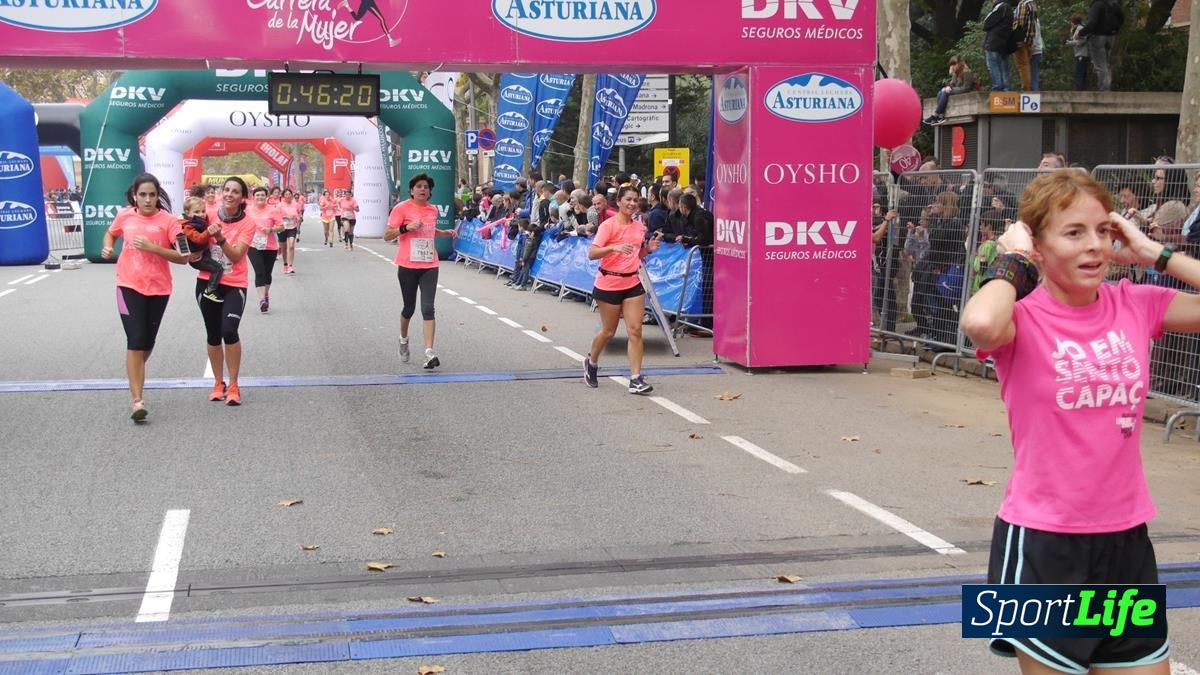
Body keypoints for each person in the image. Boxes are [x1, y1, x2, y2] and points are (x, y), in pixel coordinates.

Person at [962, 169, 1197, 674]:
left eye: (1102, 231)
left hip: (1126, 541)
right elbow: (980, 324)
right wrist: (1012, 260)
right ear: (1037, 247)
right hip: (1043, 548)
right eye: (1073, 233)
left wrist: (1155, 252)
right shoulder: (1020, 317)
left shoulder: (1134, 303)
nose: (1094, 247)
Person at [101, 173, 192, 422]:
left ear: (158, 195)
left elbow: (183, 257)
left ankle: (134, 373)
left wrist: (154, 248)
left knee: (147, 342)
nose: (148, 199)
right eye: (143, 195)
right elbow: (111, 233)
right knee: (136, 338)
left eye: (152, 195)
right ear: (135, 195)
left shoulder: (170, 221)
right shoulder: (125, 215)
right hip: (127, 285)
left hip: (159, 288)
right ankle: (137, 400)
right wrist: (108, 245)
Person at [582, 185, 664, 395]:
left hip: (633, 283)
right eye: (628, 199)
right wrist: (612, 247)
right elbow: (592, 253)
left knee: (635, 330)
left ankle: (635, 378)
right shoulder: (608, 226)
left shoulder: (639, 226)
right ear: (618, 201)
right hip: (609, 282)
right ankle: (591, 361)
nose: (632, 203)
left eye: (636, 200)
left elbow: (637, 254)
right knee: (609, 331)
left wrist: (649, 250)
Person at [385, 173, 457, 369]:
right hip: (407, 265)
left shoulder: (433, 210)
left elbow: (430, 230)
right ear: (411, 190)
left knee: (428, 308)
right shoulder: (401, 208)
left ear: (430, 191)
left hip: (429, 265)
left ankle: (429, 352)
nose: (422, 189)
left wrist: (444, 232)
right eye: (418, 186)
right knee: (409, 309)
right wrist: (406, 227)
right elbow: (387, 235)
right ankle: (403, 339)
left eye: (426, 187)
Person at [199, 177, 255, 406]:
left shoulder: (248, 223)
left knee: (229, 330)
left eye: (235, 191)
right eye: (227, 190)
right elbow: (191, 237)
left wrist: (219, 237)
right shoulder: (208, 215)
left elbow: (236, 255)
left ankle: (233, 384)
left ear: (242, 198)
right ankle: (218, 383)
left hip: (234, 284)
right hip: (207, 282)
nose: (230, 194)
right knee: (213, 334)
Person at [246, 186, 283, 313]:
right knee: (259, 271)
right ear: (253, 197)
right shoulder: (248, 210)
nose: (260, 197)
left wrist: (271, 229)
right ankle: (262, 299)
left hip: (270, 245)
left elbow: (281, 227)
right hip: (253, 245)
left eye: (262, 195)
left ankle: (266, 294)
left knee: (267, 273)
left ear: (266, 197)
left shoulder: (273, 210)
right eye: (257, 195)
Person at [180, 197, 225, 302]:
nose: (201, 214)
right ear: (187, 212)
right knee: (218, 268)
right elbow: (198, 239)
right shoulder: (188, 226)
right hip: (197, 259)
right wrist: (209, 231)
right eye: (196, 212)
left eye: (203, 211)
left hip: (204, 252)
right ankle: (211, 290)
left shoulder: (201, 221)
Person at [1080, 0, 1122, 91]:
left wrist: (1081, 33)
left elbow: (1092, 22)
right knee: (1106, 63)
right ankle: (1107, 86)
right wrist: (1115, 30)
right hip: (1111, 37)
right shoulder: (1114, 4)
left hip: (1098, 36)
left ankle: (1104, 89)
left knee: (1100, 64)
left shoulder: (1097, 4)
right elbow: (1122, 19)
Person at [925, 56, 978, 125]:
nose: (953, 67)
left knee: (945, 92)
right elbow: (952, 84)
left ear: (959, 64)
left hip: (967, 92)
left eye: (954, 64)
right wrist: (948, 86)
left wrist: (950, 89)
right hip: (959, 90)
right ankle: (940, 116)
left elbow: (966, 88)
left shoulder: (966, 72)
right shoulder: (956, 73)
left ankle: (936, 115)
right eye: (951, 65)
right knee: (941, 91)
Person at [983, 0, 1015, 92]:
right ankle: (1006, 87)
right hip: (1005, 43)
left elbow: (986, 22)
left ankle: (998, 87)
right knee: (1003, 66)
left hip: (994, 42)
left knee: (993, 64)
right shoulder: (1009, 8)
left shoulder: (1000, 6)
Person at [276, 189, 301, 274]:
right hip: (282, 227)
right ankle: (285, 264)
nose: (288, 196)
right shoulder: (279, 205)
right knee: (283, 247)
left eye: (289, 194)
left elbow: (299, 214)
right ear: (283, 196)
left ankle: (290, 266)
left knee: (291, 246)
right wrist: (285, 216)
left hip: (292, 227)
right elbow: (276, 217)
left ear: (292, 195)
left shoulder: (295, 204)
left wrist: (297, 217)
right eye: (286, 194)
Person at [1066, 15, 1090, 91]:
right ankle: (1083, 90)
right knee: (1082, 73)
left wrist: (1070, 43)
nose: (1071, 23)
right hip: (1078, 54)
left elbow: (1081, 41)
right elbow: (1074, 39)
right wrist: (1071, 31)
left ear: (1074, 22)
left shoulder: (1080, 28)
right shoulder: (1075, 29)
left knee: (1079, 73)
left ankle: (1079, 90)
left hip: (1082, 54)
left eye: (1071, 22)